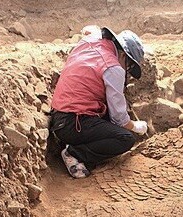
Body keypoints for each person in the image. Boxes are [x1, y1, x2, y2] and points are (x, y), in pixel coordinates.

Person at [50, 25, 148, 178]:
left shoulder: (89, 42)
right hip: (73, 122)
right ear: (123, 55)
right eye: (129, 65)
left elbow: (90, 29)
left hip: (60, 117)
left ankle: (75, 143)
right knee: (125, 138)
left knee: (108, 115)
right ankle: (75, 154)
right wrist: (136, 126)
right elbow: (119, 119)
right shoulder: (113, 67)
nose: (127, 70)